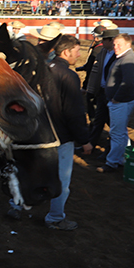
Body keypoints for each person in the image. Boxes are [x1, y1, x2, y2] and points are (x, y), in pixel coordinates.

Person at [42, 35, 91, 230]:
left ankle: (18, 206)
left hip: (40, 134)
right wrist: (84, 140)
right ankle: (55, 217)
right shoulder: (69, 76)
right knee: (62, 178)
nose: (79, 55)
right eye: (77, 51)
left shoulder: (43, 70)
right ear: (66, 52)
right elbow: (75, 113)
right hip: (61, 136)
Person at [97, 33, 134, 173]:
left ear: (128, 44)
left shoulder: (127, 60)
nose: (115, 47)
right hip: (122, 100)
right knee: (120, 131)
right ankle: (121, 158)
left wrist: (116, 98)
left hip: (121, 101)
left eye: (119, 44)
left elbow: (128, 83)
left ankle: (112, 162)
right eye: (114, 44)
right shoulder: (125, 57)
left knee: (116, 132)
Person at [86, 27, 120, 157]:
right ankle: (91, 145)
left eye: (104, 39)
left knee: (112, 124)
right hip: (102, 92)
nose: (102, 41)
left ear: (111, 40)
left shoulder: (117, 55)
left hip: (112, 94)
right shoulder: (104, 52)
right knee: (98, 120)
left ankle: (109, 150)